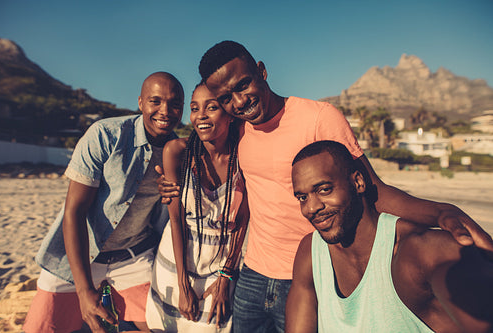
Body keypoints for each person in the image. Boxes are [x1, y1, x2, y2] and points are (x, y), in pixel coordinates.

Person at [157, 41, 493, 333]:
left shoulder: (319, 117)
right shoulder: (240, 129)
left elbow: (372, 188)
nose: (239, 102)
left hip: (309, 273)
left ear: (261, 71)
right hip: (253, 274)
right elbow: (205, 151)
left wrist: (442, 212)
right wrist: (169, 183)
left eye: (243, 85)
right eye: (225, 98)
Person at [23, 72, 184, 333]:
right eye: (156, 101)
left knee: (161, 327)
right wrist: (85, 289)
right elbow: (74, 212)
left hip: (134, 257)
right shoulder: (105, 135)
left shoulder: (178, 152)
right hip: (79, 255)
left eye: (175, 103)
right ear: (141, 102)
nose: (165, 111)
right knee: (41, 327)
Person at [286, 140, 493, 332]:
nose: (311, 208)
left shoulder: (417, 249)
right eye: (302, 197)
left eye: (324, 189)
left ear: (358, 182)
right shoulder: (311, 254)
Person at [145, 83, 249, 332]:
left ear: (230, 114)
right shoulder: (177, 152)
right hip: (176, 262)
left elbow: (242, 221)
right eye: (194, 108)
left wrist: (227, 275)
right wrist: (182, 285)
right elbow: (176, 220)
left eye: (211, 107)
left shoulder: (244, 157)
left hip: (221, 263)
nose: (200, 115)